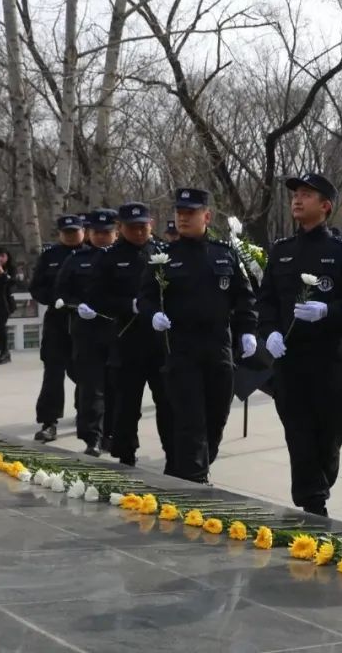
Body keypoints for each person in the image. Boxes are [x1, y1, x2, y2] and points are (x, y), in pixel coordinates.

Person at [258, 173, 342, 516]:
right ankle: (313, 503)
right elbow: (266, 302)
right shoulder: (281, 251)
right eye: (295, 194)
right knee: (298, 433)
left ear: (326, 206)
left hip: (329, 360)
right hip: (290, 360)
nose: (297, 199)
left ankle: (318, 487)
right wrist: (270, 333)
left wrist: (327, 312)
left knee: (329, 434)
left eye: (306, 194)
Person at [139, 188, 258, 483]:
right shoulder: (163, 257)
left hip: (218, 347)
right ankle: (196, 480)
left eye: (190, 213)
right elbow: (146, 297)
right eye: (179, 213)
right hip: (181, 348)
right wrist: (152, 315)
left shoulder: (225, 254)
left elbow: (244, 298)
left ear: (206, 216)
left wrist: (247, 331)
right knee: (190, 419)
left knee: (217, 417)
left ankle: (193, 468)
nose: (183, 218)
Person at [91, 202, 173, 468]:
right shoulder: (109, 257)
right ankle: (126, 454)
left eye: (143, 227)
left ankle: (173, 453)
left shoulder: (162, 253)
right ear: (120, 227)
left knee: (167, 402)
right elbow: (98, 298)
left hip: (160, 343)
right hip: (127, 342)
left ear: (151, 225)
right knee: (127, 404)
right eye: (132, 228)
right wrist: (130, 306)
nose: (138, 232)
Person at [56, 208, 118, 456]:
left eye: (106, 232)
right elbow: (61, 291)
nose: (101, 236)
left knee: (115, 386)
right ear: (89, 233)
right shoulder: (76, 259)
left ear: (116, 232)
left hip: (118, 332)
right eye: (96, 232)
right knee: (90, 388)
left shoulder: (124, 258)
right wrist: (75, 306)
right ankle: (92, 437)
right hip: (86, 333)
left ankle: (112, 433)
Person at [29, 215, 85, 443]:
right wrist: (54, 299)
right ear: (60, 233)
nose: (71, 236)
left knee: (84, 372)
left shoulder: (92, 254)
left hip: (84, 321)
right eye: (66, 232)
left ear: (83, 231)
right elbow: (36, 287)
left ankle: (86, 413)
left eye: (75, 231)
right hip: (57, 321)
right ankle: (49, 421)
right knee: (53, 371)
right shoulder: (50, 256)